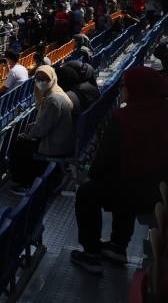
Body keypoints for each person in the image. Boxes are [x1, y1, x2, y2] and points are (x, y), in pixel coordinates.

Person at [70, 66, 168, 273]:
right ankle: (118, 245)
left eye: (125, 86)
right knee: (124, 182)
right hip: (159, 191)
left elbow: (102, 164)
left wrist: (91, 173)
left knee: (88, 192)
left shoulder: (122, 118)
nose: (123, 89)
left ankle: (91, 253)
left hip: (137, 192)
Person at [9, 65, 74, 190]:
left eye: (45, 78)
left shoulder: (52, 100)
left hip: (56, 145)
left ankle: (24, 183)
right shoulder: (56, 93)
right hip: (60, 138)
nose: (41, 81)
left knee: (21, 146)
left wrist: (28, 135)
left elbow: (41, 130)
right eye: (38, 78)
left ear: (52, 78)